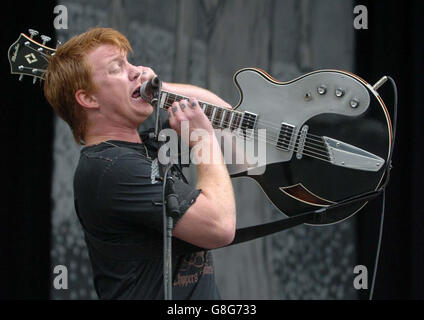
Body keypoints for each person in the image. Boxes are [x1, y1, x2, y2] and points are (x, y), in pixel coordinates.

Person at [44, 27, 236, 299]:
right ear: (87, 98)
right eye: (117, 68)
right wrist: (203, 141)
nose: (138, 70)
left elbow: (226, 115)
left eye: (130, 62)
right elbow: (220, 226)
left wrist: (160, 89)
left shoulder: (140, 150)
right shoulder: (111, 168)